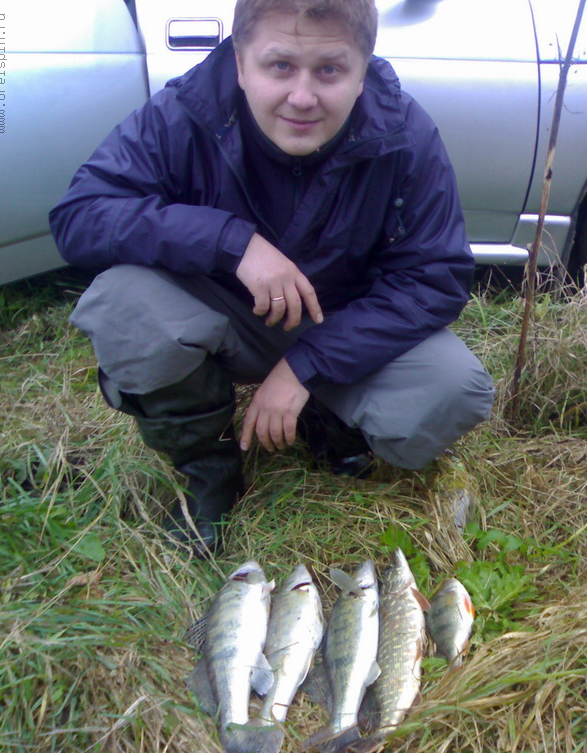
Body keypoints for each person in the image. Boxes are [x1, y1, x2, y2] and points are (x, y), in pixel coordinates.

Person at [49, 0, 494, 556]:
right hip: (225, 318)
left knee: (455, 388)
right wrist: (228, 242)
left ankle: (329, 422)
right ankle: (207, 470)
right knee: (123, 303)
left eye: (329, 70)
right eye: (280, 66)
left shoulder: (405, 132)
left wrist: (307, 365)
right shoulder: (182, 114)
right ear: (240, 63)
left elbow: (434, 277)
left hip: (343, 325)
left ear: (362, 72)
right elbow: (81, 215)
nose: (302, 97)